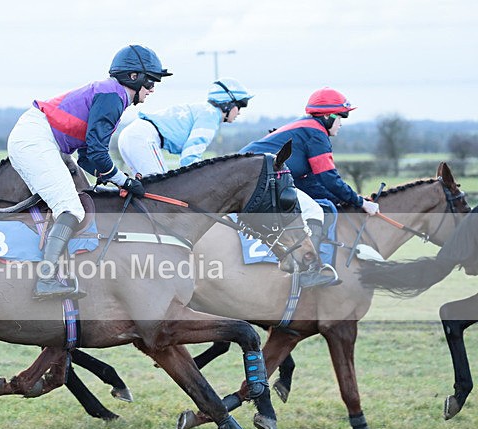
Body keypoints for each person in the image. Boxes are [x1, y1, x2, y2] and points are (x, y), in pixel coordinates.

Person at [8, 44, 171, 300]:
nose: (152, 89)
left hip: (36, 138)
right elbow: (97, 154)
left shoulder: (112, 95)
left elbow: (86, 157)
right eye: (150, 82)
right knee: (71, 209)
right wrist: (124, 181)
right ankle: (46, 280)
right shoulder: (113, 96)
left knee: (68, 204)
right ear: (134, 77)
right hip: (36, 140)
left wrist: (116, 182)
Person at [239, 87, 380, 288]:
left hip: (257, 176)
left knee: (316, 203)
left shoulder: (307, 129)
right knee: (313, 209)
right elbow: (329, 178)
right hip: (259, 178)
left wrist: (351, 199)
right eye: (341, 117)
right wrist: (359, 202)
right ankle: (309, 271)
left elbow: (313, 184)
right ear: (328, 117)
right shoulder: (316, 133)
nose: (341, 124)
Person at [118, 78, 253, 176]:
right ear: (228, 103)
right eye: (240, 105)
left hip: (133, 135)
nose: (239, 112)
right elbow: (189, 159)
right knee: (162, 193)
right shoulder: (211, 116)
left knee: (145, 193)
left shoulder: (205, 111)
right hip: (142, 138)